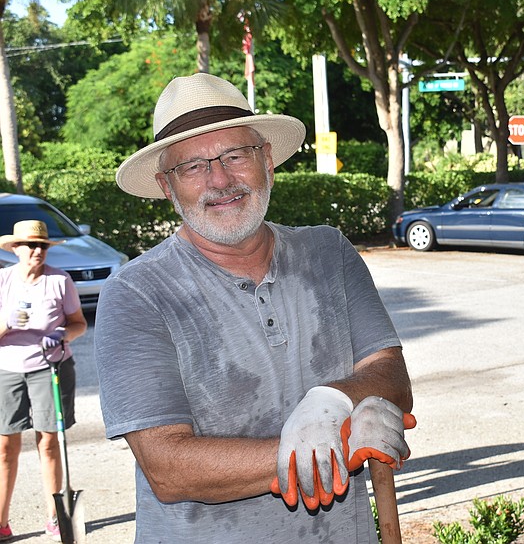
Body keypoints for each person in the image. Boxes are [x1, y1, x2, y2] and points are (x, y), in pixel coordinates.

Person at [93, 72, 414, 543]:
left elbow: (391, 375)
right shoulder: (136, 292)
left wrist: (336, 398)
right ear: (167, 185)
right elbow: (168, 468)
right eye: (193, 166)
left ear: (266, 159)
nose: (220, 180)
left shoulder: (329, 252)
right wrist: (329, 442)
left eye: (235, 155)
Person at [0, 220, 88, 541]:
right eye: (30, 245)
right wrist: (6, 323)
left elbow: (78, 323)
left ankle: (56, 516)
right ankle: (1, 522)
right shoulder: (3, 281)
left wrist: (62, 334)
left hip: (51, 367)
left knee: (49, 443)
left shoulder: (59, 281)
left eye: (43, 245)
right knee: (5, 446)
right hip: (7, 370)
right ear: (15, 249)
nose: (38, 251)